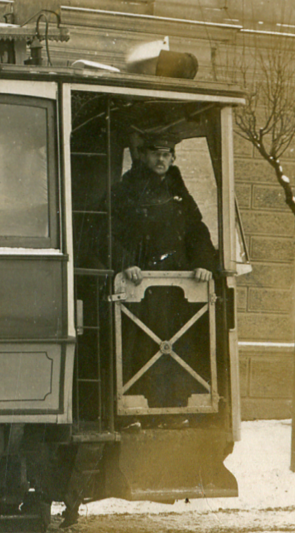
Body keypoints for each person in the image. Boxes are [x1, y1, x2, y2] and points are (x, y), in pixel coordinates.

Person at [111, 132, 218, 410]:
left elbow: (196, 229)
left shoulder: (178, 189)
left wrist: (204, 262)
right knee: (141, 348)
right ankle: (139, 409)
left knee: (176, 346)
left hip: (176, 287)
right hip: (140, 286)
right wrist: (125, 262)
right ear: (143, 156)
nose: (161, 159)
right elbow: (106, 230)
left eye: (167, 154)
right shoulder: (126, 189)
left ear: (173, 158)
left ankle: (174, 406)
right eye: (156, 153)